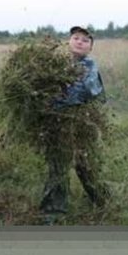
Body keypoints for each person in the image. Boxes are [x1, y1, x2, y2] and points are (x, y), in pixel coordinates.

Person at [39, 26, 107, 216]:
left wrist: (68, 80)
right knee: (58, 166)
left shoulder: (90, 66)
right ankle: (53, 212)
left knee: (85, 165)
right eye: (76, 38)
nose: (80, 42)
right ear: (68, 42)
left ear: (90, 48)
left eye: (85, 40)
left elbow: (89, 91)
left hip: (80, 122)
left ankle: (102, 201)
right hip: (56, 122)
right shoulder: (54, 64)